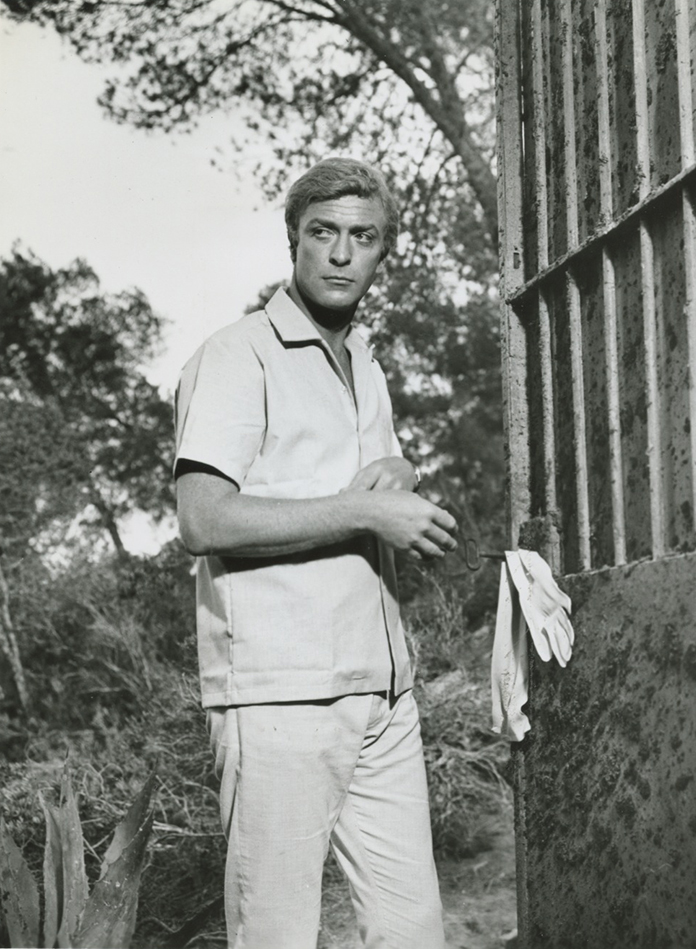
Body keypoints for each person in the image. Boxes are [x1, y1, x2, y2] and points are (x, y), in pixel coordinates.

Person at [173, 157, 459, 949]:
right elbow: (201, 518)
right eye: (322, 232)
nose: (340, 253)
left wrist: (399, 472)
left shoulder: (364, 361)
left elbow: (363, 478)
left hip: (383, 694)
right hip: (281, 695)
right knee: (277, 935)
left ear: (382, 251)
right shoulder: (238, 354)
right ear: (293, 241)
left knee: (414, 933)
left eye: (361, 237)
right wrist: (366, 510)